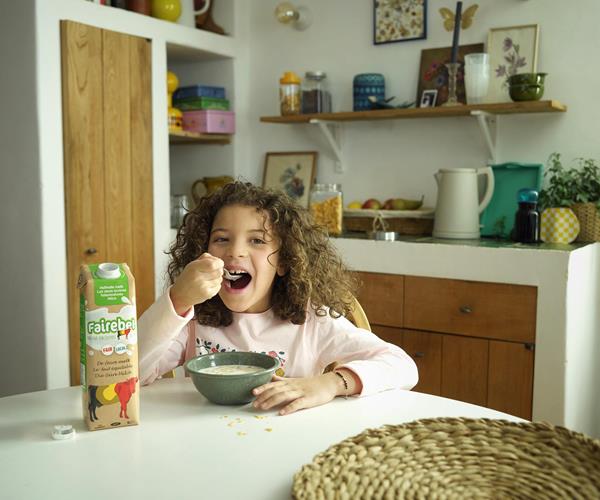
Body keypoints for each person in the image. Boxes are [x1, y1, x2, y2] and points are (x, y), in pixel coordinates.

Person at [139, 181, 418, 415]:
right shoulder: (194, 319)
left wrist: (328, 384)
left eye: (257, 241)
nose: (235, 252)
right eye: (222, 239)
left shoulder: (311, 321)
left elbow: (402, 365)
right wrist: (178, 299)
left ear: (284, 261)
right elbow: (129, 372)